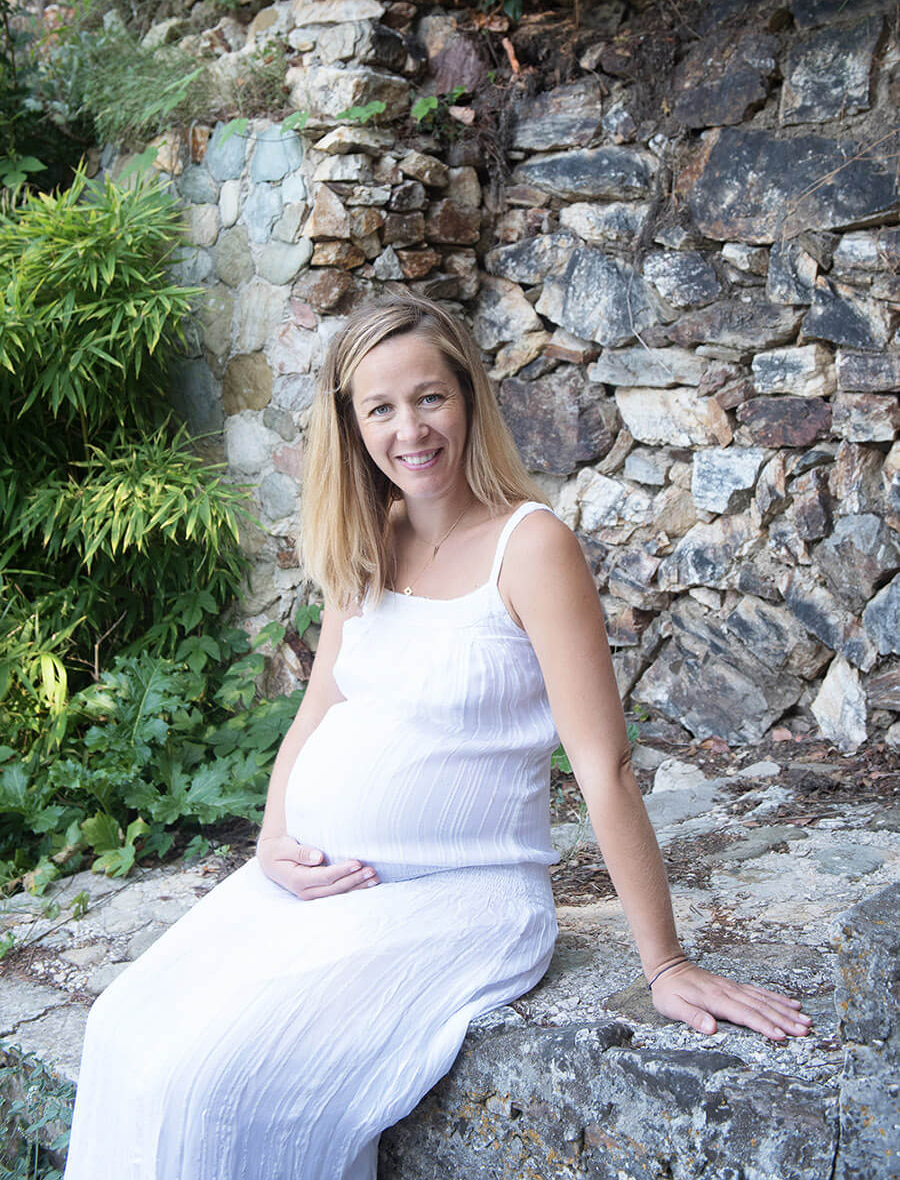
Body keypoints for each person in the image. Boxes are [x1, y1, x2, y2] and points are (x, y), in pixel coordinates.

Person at [63, 292, 811, 1180]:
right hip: (321, 889)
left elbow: (604, 764)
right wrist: (270, 839)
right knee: (121, 1025)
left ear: (468, 398)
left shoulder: (530, 548)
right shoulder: (368, 539)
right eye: (380, 408)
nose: (409, 429)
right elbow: (316, 713)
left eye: (429, 397)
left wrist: (667, 961)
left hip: (461, 898)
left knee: (208, 1081)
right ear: (353, 425)